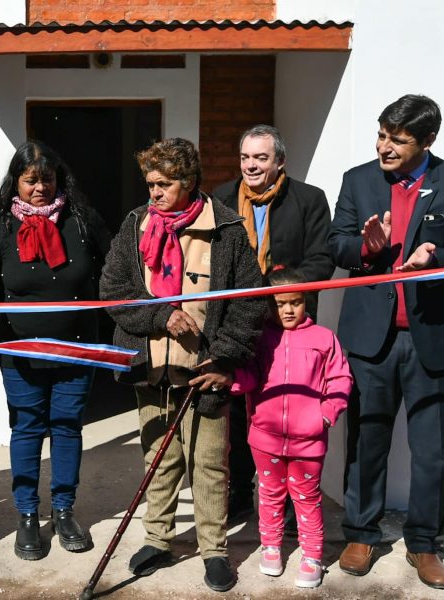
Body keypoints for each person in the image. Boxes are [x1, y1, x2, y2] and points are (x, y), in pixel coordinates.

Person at [328, 94, 444, 590]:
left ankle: (423, 542)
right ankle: (361, 533)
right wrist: (367, 247)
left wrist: (433, 259)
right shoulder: (358, 180)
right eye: (381, 134)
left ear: (428, 141)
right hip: (371, 341)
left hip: (435, 340)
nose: (385, 147)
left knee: (433, 451)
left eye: (398, 139)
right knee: (366, 442)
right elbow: (336, 244)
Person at [100, 137, 264, 593]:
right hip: (151, 366)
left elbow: (249, 302)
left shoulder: (226, 229)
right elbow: (113, 290)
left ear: (189, 182)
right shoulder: (136, 224)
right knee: (158, 458)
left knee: (209, 463)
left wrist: (225, 358)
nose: (154, 192)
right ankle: (159, 539)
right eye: (150, 183)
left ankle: (213, 550)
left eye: (164, 183)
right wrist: (159, 315)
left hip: (205, 370)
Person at [0, 140, 112, 560]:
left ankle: (63, 510)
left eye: (47, 179)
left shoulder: (79, 222)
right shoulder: (1, 229)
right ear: (15, 182)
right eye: (30, 180)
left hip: (76, 348)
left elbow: (114, 264)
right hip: (21, 352)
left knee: (66, 427)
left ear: (59, 181)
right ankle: (25, 515)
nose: (39, 188)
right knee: (27, 430)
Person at [215, 124, 334, 520]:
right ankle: (240, 494)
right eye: (246, 157)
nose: (251, 165)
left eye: (261, 158)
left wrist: (281, 287)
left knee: (284, 406)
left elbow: (322, 259)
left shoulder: (309, 199)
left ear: (280, 161)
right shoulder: (221, 199)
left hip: (288, 321)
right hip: (237, 321)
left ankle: (285, 505)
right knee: (237, 408)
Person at [230, 267, 351, 589]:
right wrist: (231, 381)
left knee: (307, 497)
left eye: (295, 302)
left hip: (309, 440)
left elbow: (340, 379)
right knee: (269, 493)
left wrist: (325, 414)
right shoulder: (259, 339)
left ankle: (312, 555)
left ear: (306, 301)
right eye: (279, 303)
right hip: (265, 437)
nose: (287, 309)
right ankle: (271, 547)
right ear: (268, 305)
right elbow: (250, 376)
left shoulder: (324, 339)